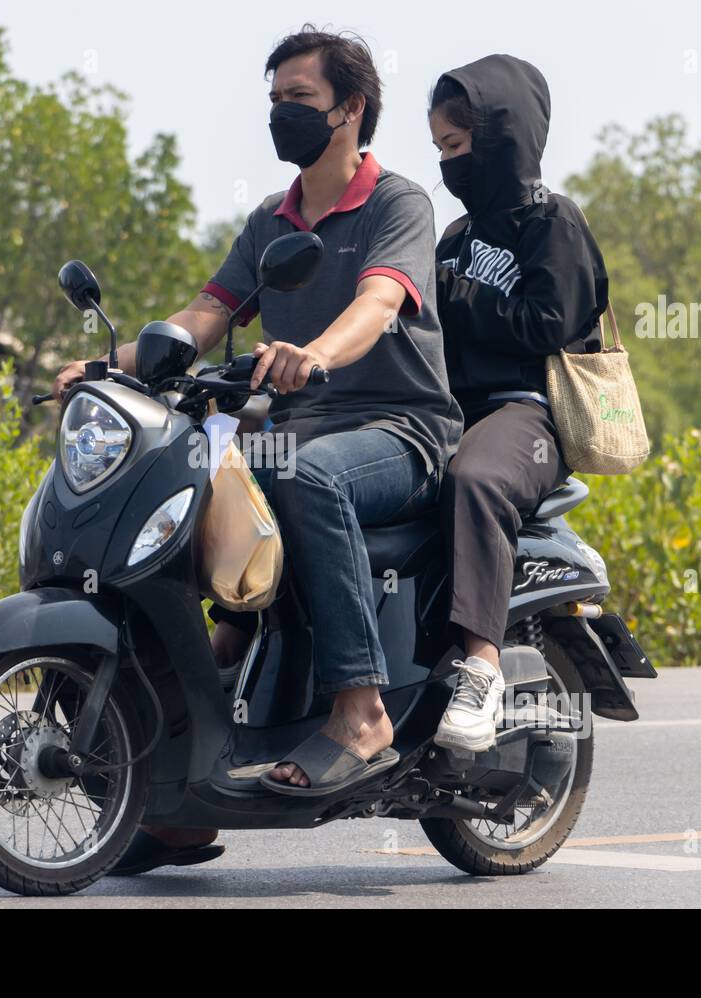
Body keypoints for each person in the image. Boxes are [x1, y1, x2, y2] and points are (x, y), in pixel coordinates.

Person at [52, 26, 462, 870]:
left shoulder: (398, 205)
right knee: (181, 482)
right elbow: (204, 321)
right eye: (274, 103)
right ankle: (186, 783)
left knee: (304, 476)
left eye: (299, 102)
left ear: (350, 110)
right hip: (295, 428)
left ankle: (359, 709)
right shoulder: (269, 220)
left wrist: (313, 353)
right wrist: (107, 365)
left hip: (398, 429)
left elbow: (379, 304)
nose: (282, 117)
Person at [425, 55, 608, 752]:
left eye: (458, 145)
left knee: (476, 477)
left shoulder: (552, 223)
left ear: (500, 136)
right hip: (450, 412)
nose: (449, 163)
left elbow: (548, 324)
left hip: (530, 413)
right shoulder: (452, 238)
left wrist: (463, 302)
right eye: (440, 149)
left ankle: (481, 666)